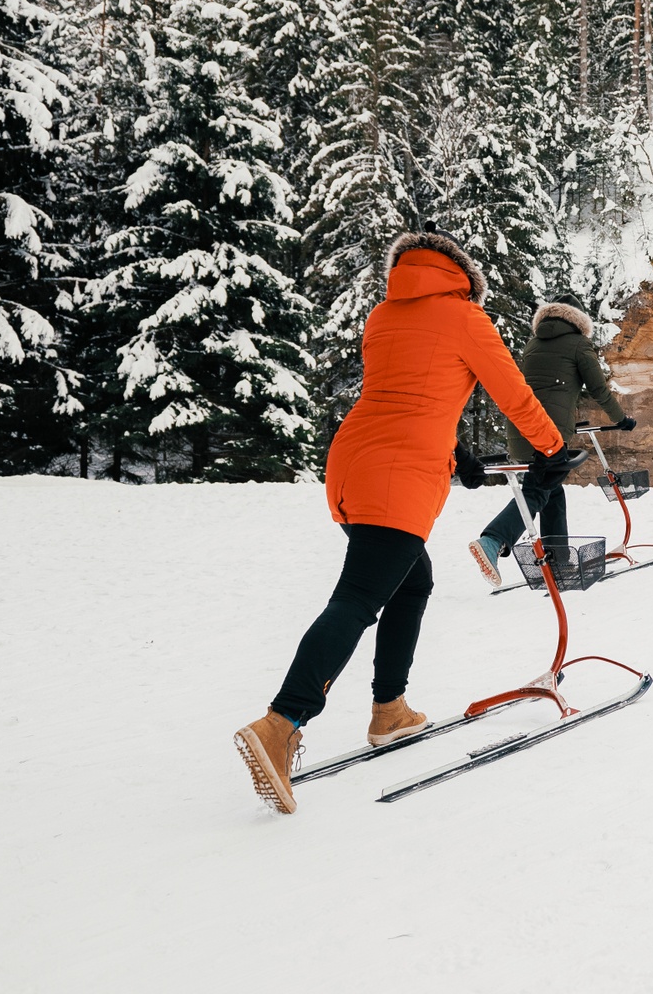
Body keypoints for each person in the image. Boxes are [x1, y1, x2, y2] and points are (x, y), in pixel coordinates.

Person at [233, 230, 584, 815]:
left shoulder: (383, 316)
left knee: (411, 580)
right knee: (358, 598)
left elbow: (411, 395)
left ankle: (389, 709)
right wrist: (552, 448)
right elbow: (513, 393)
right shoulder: (465, 318)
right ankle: (281, 721)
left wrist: (459, 459)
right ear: (464, 278)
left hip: (353, 464)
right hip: (397, 478)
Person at [468, 293, 637, 585]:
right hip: (548, 432)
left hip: (520, 429)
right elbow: (598, 389)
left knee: (551, 491)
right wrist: (620, 419)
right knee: (538, 489)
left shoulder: (533, 344)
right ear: (579, 319)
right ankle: (493, 540)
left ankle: (558, 560)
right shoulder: (579, 344)